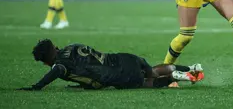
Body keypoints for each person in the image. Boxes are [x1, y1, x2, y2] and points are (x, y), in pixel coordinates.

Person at [17, 39, 204, 91]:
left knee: (148, 83)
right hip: (125, 58)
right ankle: (191, 70)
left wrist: (37, 87)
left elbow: (56, 71)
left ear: (46, 59)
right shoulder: (73, 46)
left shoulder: (60, 65)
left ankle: (175, 77)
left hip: (118, 76)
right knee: (154, 70)